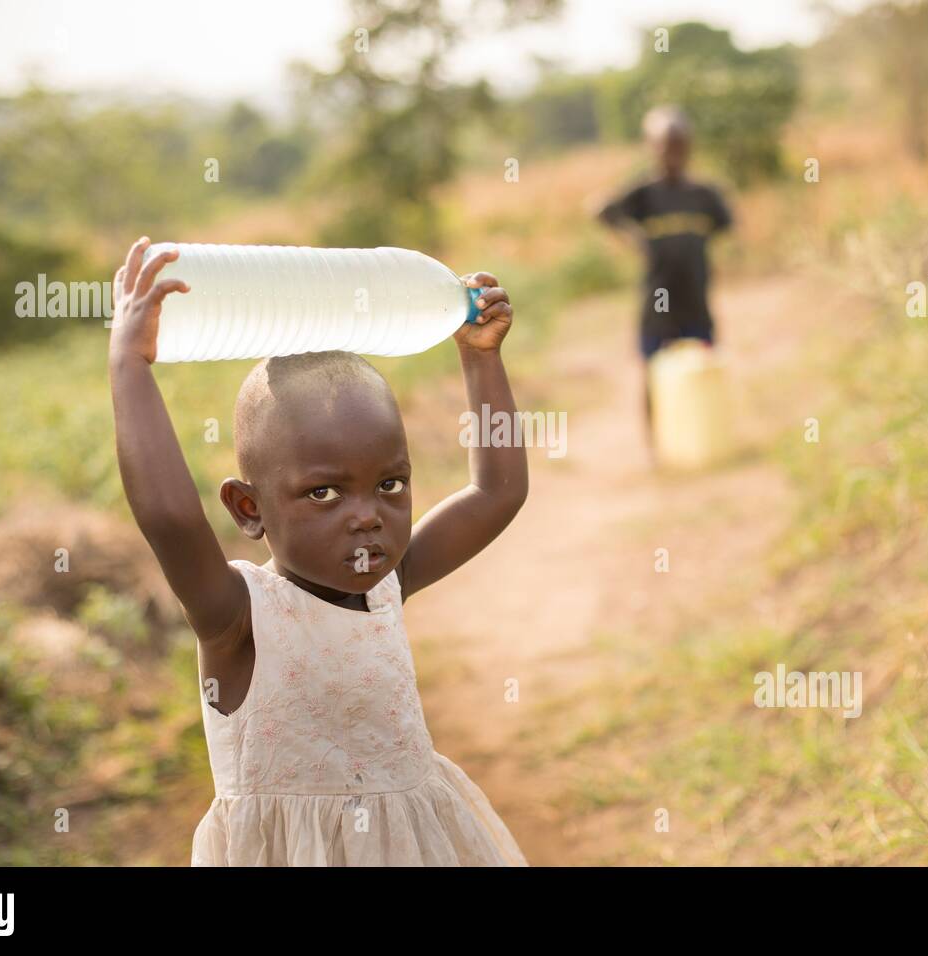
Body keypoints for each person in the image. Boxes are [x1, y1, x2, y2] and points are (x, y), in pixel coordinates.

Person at [108, 237, 529, 866]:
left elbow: (497, 491)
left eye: (390, 484)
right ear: (248, 508)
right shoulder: (237, 618)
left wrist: (480, 358)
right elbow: (169, 517)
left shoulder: (390, 580)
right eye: (324, 492)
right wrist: (130, 366)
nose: (368, 518)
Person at [594, 105, 734, 455]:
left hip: (695, 299)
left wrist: (691, 246)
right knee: (653, 373)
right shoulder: (643, 194)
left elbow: (726, 223)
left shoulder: (704, 195)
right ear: (651, 147)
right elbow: (600, 209)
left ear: (689, 147)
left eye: (678, 145)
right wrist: (635, 239)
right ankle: (656, 448)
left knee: (702, 368)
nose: (671, 154)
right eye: (663, 146)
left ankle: (702, 440)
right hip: (657, 302)